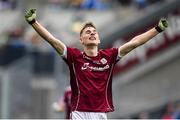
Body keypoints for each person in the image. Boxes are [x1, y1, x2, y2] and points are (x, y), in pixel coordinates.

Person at [25, 9, 168, 119]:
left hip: (100, 114)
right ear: (81, 40)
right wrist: (33, 23)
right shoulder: (74, 56)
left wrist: (157, 29)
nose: (92, 33)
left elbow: (134, 43)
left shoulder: (110, 56)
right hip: (79, 113)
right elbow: (52, 40)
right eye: (87, 32)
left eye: (94, 32)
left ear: (98, 39)